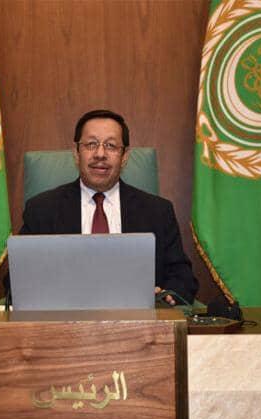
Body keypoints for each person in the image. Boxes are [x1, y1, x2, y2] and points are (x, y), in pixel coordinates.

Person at [18, 109, 199, 304]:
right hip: (64, 316)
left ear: (125, 156)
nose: (100, 154)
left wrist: (166, 295)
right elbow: (17, 278)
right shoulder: (42, 210)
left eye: (111, 146)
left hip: (136, 319)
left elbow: (182, 277)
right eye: (91, 144)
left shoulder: (158, 212)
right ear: (76, 153)